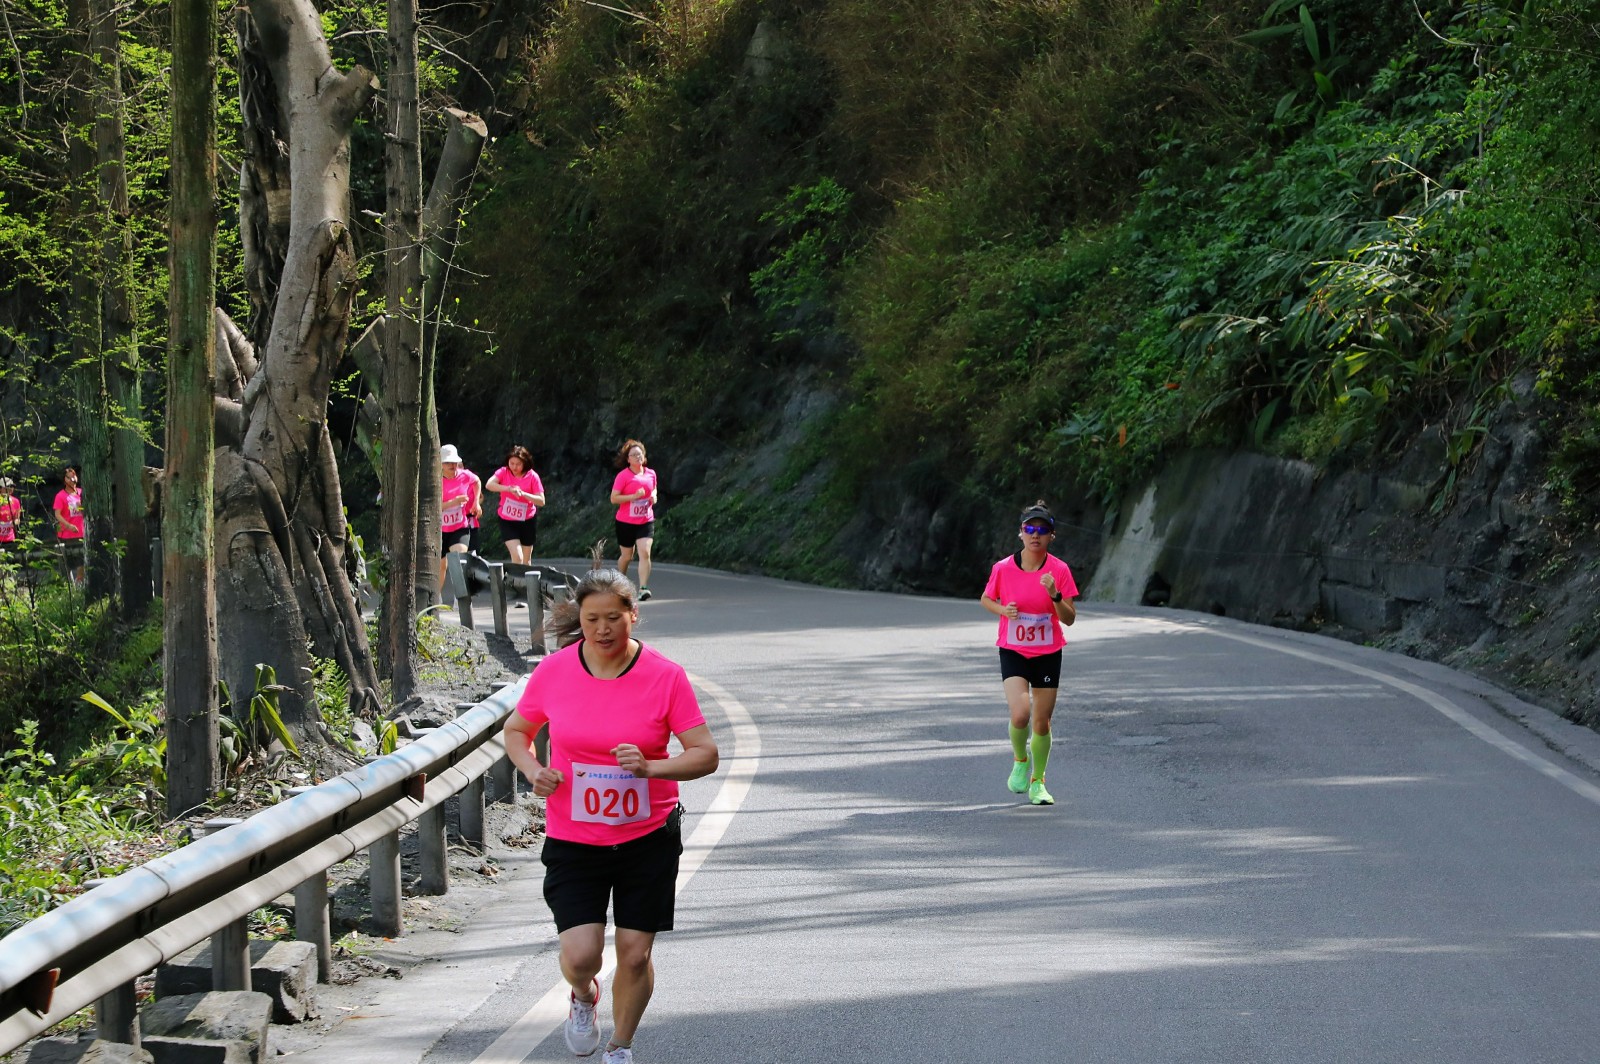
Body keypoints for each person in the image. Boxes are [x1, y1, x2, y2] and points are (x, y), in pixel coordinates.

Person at [502, 569, 718, 1064]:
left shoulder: (664, 676)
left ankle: (620, 1046)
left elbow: (705, 754)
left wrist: (651, 767)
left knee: (636, 954)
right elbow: (517, 731)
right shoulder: (555, 671)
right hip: (575, 837)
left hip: (648, 836)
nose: (602, 629)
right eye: (592, 619)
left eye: (613, 618)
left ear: (632, 616)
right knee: (582, 957)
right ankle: (583, 995)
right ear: (580, 619)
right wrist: (534, 770)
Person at [979, 501, 1078, 806]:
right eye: (1030, 528)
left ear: (1052, 536)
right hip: (1014, 649)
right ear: (1021, 533)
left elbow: (1069, 618)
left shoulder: (1059, 570)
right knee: (1020, 714)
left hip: (1047, 652)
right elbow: (986, 598)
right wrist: (1003, 610)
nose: (1036, 534)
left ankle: (1038, 782)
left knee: (1041, 722)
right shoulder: (1003, 568)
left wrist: (1055, 595)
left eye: (1042, 529)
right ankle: (1020, 761)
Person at [609, 440, 658, 601]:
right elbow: (614, 498)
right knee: (627, 556)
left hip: (645, 520)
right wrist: (634, 497)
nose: (638, 457)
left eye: (640, 454)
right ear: (628, 459)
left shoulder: (651, 474)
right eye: (634, 455)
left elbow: (654, 489)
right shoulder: (623, 476)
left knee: (645, 552)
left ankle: (643, 588)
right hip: (625, 522)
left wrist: (653, 497)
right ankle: (620, 582)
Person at [486, 445, 546, 567]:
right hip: (507, 520)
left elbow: (541, 501)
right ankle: (515, 578)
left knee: (526, 561)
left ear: (525, 463)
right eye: (511, 463)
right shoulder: (504, 472)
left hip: (527, 520)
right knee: (518, 556)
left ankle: (525, 579)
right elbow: (489, 485)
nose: (514, 467)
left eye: (518, 464)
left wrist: (524, 494)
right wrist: (508, 489)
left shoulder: (532, 476)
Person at [438, 444, 482, 599]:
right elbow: (434, 507)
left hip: (459, 528)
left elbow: (477, 482)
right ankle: (434, 600)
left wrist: (476, 502)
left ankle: (462, 598)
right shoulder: (434, 481)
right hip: (439, 531)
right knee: (441, 566)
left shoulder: (465, 475)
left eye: (454, 462)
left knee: (459, 561)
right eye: (447, 462)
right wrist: (454, 502)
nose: (452, 465)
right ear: (440, 464)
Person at [53, 467, 85, 589]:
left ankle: (80, 582)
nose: (73, 479)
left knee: (82, 560)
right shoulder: (60, 496)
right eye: (69, 477)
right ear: (64, 480)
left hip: (82, 532)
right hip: (68, 534)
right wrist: (68, 525)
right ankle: (69, 586)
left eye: (74, 476)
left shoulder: (82, 493)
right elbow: (57, 514)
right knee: (70, 562)